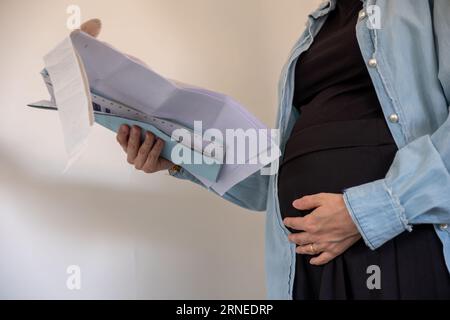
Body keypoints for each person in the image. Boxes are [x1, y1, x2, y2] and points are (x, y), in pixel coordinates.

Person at [110, 0, 450, 299]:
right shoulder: (316, 29)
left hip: (397, 243)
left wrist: (367, 213)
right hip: (307, 258)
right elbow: (269, 182)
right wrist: (178, 153)